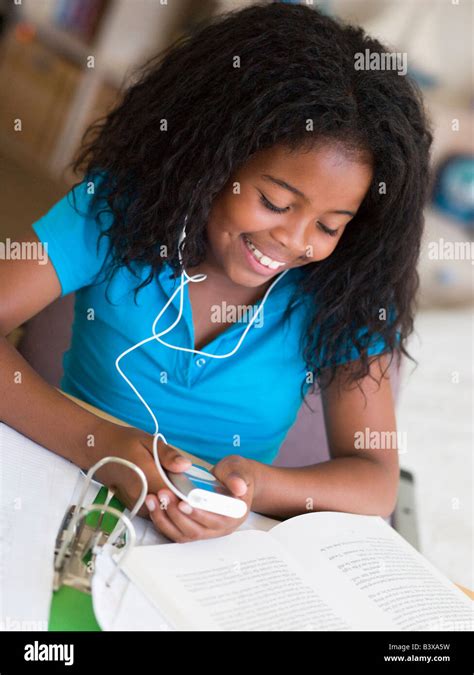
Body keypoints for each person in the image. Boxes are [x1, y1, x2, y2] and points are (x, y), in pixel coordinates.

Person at [0, 3, 432, 542]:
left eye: (330, 225)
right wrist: (97, 442)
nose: (295, 242)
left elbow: (374, 482)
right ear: (210, 159)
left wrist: (254, 487)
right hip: (61, 483)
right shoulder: (114, 210)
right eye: (275, 202)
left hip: (211, 542)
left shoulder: (342, 291)